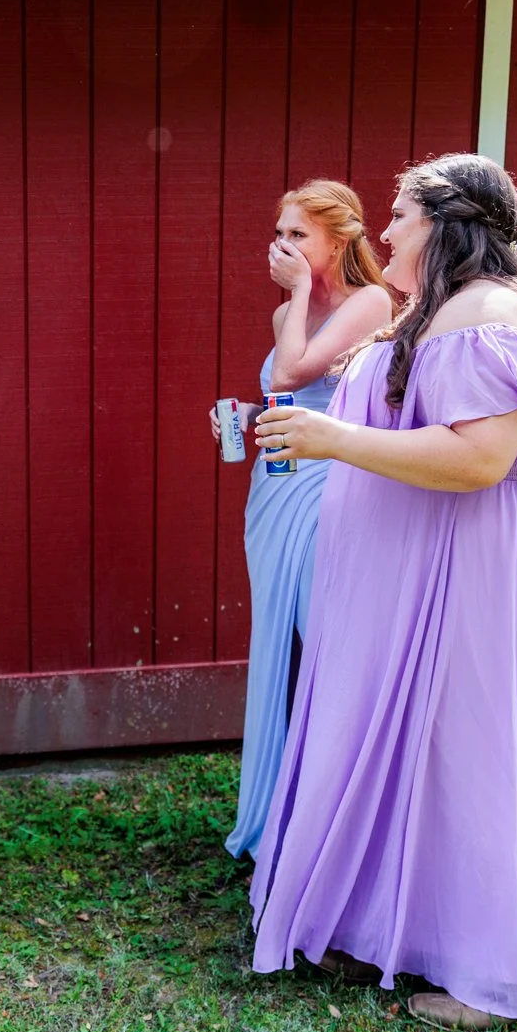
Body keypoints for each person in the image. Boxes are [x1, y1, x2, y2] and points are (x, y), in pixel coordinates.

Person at [247, 153, 517, 1031]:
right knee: (414, 747)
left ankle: (495, 979)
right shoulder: (444, 308)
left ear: (446, 223)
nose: (387, 230)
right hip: (421, 564)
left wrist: (332, 439)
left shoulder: (488, 314)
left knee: (468, 750)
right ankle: (392, 930)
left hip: (467, 564)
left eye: (400, 214)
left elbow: (479, 458)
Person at [211, 181, 391, 863]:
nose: (281, 246)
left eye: (298, 235)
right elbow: (282, 400)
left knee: (324, 639)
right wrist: (248, 416)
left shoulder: (368, 302)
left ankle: (333, 820)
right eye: (278, 233)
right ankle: (281, 816)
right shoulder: (290, 310)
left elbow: (292, 374)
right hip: (276, 486)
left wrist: (295, 295)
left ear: (338, 243)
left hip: (329, 489)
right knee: (281, 642)